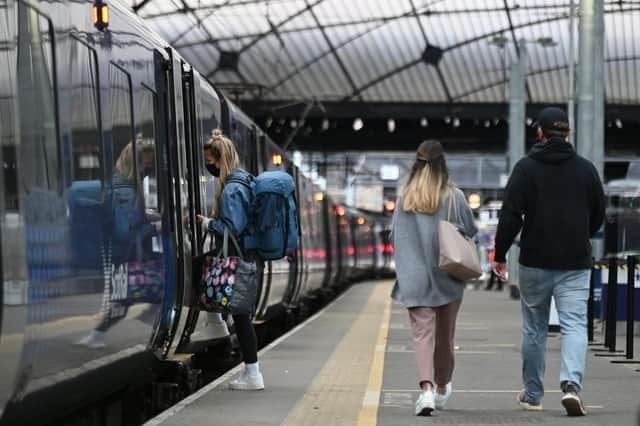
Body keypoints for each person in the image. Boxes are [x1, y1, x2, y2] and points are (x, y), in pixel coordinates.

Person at [493, 107, 605, 416]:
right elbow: (598, 213)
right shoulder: (586, 170)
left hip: (535, 261)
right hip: (575, 262)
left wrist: (500, 254)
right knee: (574, 324)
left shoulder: (526, 168)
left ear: (540, 133)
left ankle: (533, 394)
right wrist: (581, 235)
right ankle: (571, 387)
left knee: (534, 328)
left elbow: (510, 215)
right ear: (566, 132)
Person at [391, 140, 478, 416]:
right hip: (448, 276)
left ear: (416, 164)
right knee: (444, 338)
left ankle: (426, 389)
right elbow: (471, 230)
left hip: (414, 278)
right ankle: (442, 387)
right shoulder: (455, 197)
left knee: (422, 336)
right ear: (443, 164)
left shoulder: (406, 197)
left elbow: (394, 236)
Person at [196, 129, 264, 391]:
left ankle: (252, 374)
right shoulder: (243, 180)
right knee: (242, 315)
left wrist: (206, 223)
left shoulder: (232, 189)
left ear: (220, 158)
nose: (208, 166)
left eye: (210, 161)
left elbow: (230, 229)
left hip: (240, 259)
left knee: (242, 316)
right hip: (247, 257)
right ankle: (250, 370)